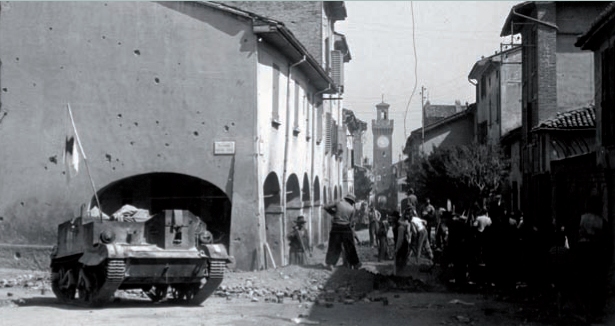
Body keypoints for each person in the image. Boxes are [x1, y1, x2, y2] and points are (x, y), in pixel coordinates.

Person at [323, 194, 361, 270]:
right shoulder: (352, 209)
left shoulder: (338, 203)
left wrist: (333, 213)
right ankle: (356, 264)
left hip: (336, 226)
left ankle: (330, 264)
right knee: (350, 246)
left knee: (334, 246)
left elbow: (326, 207)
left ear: (346, 198)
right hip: (346, 227)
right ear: (352, 201)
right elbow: (350, 222)